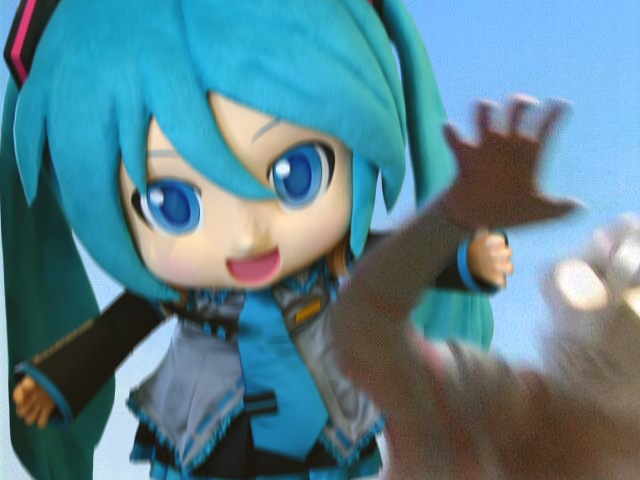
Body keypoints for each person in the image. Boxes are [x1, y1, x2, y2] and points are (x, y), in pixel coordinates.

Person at [2, 0, 512, 479]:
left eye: (297, 174)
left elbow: (396, 259)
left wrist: (462, 261)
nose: (248, 236)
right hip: (208, 426)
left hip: (323, 419)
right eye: (173, 205)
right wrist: (59, 382)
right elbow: (116, 330)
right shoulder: (182, 294)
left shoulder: (329, 263)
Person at [332, 99, 640, 479]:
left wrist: (457, 214)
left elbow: (363, 326)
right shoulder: (486, 408)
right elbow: (363, 328)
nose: (609, 322)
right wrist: (455, 214)